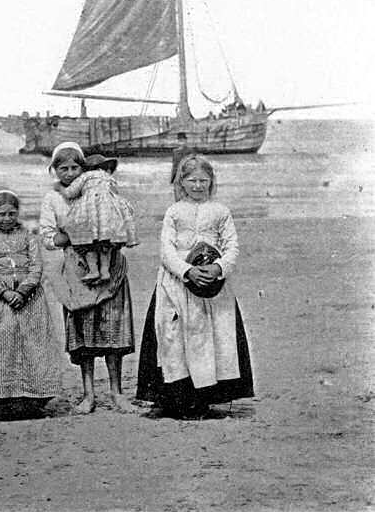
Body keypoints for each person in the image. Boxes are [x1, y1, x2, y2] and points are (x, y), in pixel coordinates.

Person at [136, 154, 254, 420]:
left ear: (211, 181)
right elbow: (166, 250)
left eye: (203, 180)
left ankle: (203, 400)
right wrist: (186, 271)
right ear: (181, 182)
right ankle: (174, 400)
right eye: (192, 180)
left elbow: (232, 246)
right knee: (174, 338)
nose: (198, 186)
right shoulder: (174, 211)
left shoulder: (221, 211)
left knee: (211, 339)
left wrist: (218, 268)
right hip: (177, 285)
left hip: (212, 287)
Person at [39, 142, 135, 415]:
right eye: (63, 168)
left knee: (114, 331)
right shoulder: (54, 198)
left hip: (109, 267)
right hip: (77, 270)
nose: (69, 173)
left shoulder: (103, 190)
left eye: (75, 167)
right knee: (83, 335)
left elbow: (121, 223)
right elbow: (47, 236)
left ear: (86, 169)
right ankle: (89, 393)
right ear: (54, 170)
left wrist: (107, 234)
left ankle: (117, 392)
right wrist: (75, 234)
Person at [0, 190, 63, 418]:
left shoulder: (28, 236)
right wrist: (4, 293)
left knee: (31, 344)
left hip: (29, 300)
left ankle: (31, 396)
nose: (8, 218)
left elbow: (36, 266)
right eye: (2, 214)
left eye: (12, 213)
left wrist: (22, 290)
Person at [58, 153, 138, 284]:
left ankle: (94, 270)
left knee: (87, 243)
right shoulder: (108, 177)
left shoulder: (85, 176)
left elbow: (70, 193)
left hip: (90, 213)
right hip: (108, 216)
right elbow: (115, 193)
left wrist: (60, 187)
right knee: (105, 244)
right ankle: (105, 271)